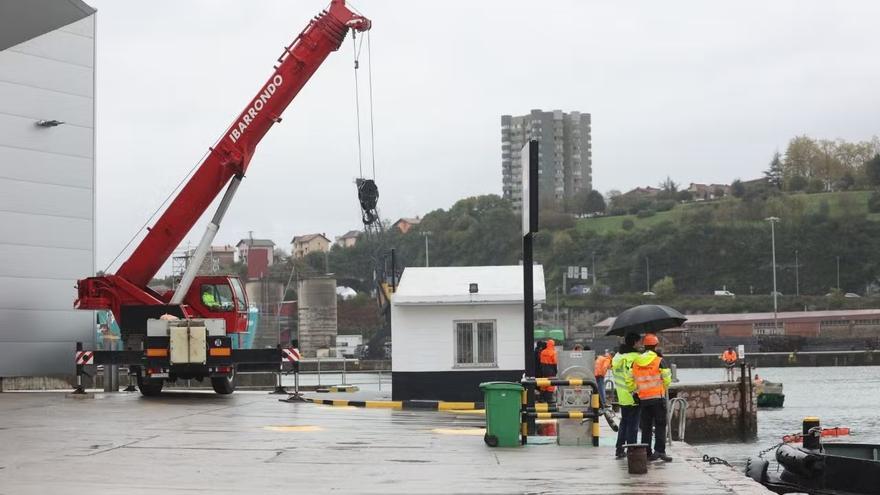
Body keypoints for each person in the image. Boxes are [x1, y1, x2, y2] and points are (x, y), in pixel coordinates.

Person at [633, 332, 673, 462]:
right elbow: (667, 380)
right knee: (660, 425)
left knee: (646, 427)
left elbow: (630, 379)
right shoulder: (659, 361)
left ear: (644, 346)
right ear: (656, 346)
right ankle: (660, 451)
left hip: (643, 399)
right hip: (657, 398)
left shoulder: (636, 362)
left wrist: (637, 391)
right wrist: (662, 385)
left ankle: (647, 452)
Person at [612, 333, 642, 459]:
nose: (640, 344)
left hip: (621, 395)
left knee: (624, 422)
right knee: (633, 425)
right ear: (634, 342)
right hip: (633, 394)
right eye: (639, 341)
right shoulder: (635, 357)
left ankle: (619, 448)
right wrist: (635, 392)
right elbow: (632, 376)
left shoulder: (617, 357)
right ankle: (631, 449)